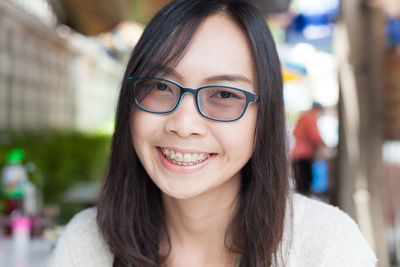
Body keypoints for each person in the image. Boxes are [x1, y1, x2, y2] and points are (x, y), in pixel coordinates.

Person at [48, 1, 377, 266]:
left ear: (265, 116)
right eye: (160, 86)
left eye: (223, 95)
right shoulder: (87, 245)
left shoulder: (326, 247)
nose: (184, 123)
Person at [291, 102, 325, 195]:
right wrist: (323, 144)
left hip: (296, 154)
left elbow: (295, 132)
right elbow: (315, 136)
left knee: (300, 183)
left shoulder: (303, 117)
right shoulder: (310, 117)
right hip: (304, 155)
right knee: (305, 183)